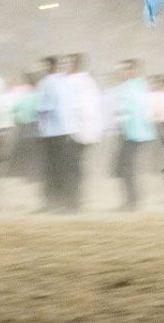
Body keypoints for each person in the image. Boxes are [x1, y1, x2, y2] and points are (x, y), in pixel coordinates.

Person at [109, 59, 155, 211]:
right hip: (134, 133)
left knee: (125, 167)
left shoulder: (131, 87)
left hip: (131, 133)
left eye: (125, 70)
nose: (121, 73)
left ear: (133, 70)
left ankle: (132, 201)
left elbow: (126, 112)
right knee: (126, 167)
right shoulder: (140, 86)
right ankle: (133, 199)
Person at [36, 56, 78, 213]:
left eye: (44, 65)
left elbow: (45, 107)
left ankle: (56, 203)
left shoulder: (48, 82)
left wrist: (40, 124)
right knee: (61, 168)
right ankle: (62, 202)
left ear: (51, 66)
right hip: (64, 130)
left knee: (53, 169)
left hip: (52, 131)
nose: (42, 69)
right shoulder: (64, 81)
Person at [66, 53, 103, 211]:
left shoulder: (73, 82)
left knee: (73, 166)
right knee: (78, 165)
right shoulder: (90, 82)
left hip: (77, 131)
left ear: (74, 64)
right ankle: (78, 200)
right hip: (88, 131)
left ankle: (75, 201)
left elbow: (76, 108)